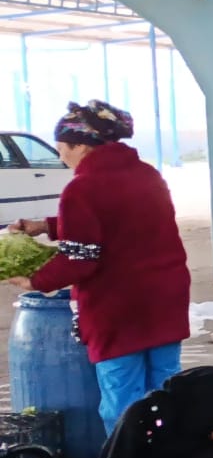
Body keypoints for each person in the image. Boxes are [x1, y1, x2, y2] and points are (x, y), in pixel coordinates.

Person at [5, 101, 191, 440]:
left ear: (80, 146)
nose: (62, 157)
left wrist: (36, 280)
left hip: (118, 307)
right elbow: (120, 222)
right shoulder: (147, 174)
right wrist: (44, 226)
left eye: (62, 149)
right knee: (167, 390)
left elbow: (81, 258)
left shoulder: (82, 188)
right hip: (165, 298)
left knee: (123, 400)